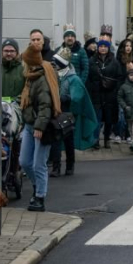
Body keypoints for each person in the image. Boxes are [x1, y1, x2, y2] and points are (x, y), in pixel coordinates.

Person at [19, 43, 61, 212]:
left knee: (39, 164)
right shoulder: (30, 76)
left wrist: (40, 127)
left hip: (41, 127)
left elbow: (46, 105)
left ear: (29, 62)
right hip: (29, 125)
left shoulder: (40, 78)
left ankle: (40, 198)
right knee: (24, 162)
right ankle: (38, 188)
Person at [49, 48, 97, 177]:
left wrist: (66, 98)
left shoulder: (73, 79)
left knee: (68, 140)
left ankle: (70, 166)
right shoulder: (52, 75)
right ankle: (56, 167)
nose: (54, 64)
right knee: (55, 140)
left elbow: (77, 97)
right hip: (54, 112)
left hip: (67, 113)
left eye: (57, 62)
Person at [86, 40, 122, 149]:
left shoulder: (114, 62)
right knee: (96, 119)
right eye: (100, 46)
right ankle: (95, 140)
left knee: (109, 119)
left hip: (110, 94)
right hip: (96, 94)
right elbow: (88, 77)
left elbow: (119, 77)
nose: (103, 48)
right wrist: (91, 89)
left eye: (105, 46)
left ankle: (107, 139)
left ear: (108, 48)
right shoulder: (92, 61)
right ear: (97, 48)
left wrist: (115, 89)